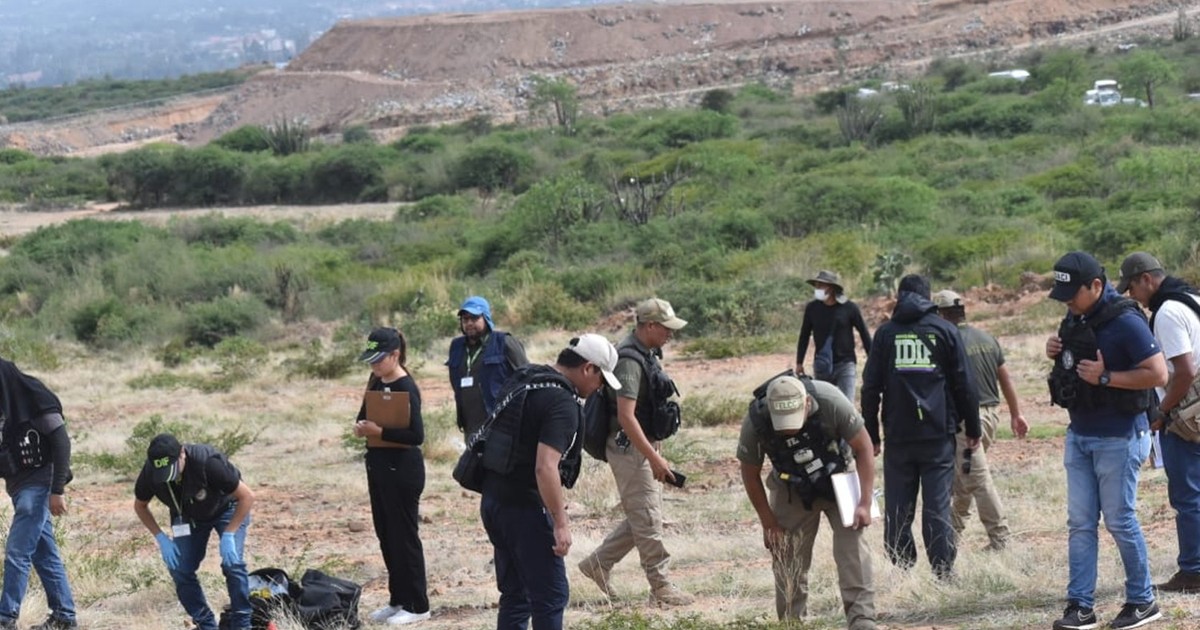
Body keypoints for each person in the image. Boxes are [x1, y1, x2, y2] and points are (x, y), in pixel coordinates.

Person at [1045, 251, 1167, 630]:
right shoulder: (1076, 317)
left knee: (1119, 520)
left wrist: (1105, 377)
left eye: (1071, 294)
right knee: (1080, 523)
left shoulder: (1125, 320)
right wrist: (1056, 350)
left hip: (1120, 436)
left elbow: (1158, 374)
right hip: (1080, 434)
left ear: (1096, 286)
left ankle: (1142, 601)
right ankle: (1080, 606)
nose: (1066, 302)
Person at [480, 334, 619, 630]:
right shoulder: (562, 402)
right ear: (588, 368)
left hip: (494, 500)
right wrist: (560, 523)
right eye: (601, 380)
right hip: (526, 509)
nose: (599, 389)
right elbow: (545, 467)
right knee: (551, 596)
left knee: (516, 596)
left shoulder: (526, 378)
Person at [861, 274, 980, 580]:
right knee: (937, 504)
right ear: (928, 298)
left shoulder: (886, 334)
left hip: (898, 434)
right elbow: (965, 384)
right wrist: (973, 427)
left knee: (898, 504)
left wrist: (872, 434)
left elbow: (870, 387)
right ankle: (943, 571)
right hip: (937, 434)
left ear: (899, 297)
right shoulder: (945, 330)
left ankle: (902, 568)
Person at [737, 374, 877, 629]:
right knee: (788, 555)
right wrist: (769, 523)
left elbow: (864, 447)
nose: (790, 428)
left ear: (808, 403)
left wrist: (864, 503)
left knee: (853, 550)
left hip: (839, 475)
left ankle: (862, 619)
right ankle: (792, 622)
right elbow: (749, 472)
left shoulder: (831, 400)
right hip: (791, 487)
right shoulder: (756, 420)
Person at [577, 298, 693, 606]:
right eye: (666, 328)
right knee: (648, 517)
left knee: (644, 514)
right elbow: (626, 417)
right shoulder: (629, 360)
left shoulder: (646, 353)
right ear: (650, 325)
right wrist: (654, 458)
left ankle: (598, 563)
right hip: (629, 448)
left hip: (641, 445)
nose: (670, 334)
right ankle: (661, 586)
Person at [1117, 252, 1200, 595]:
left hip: (1187, 413)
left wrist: (1162, 411)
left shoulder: (1166, 312)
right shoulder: (1191, 298)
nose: (1132, 295)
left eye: (1132, 287)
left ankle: (1194, 570)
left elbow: (1185, 371)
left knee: (1188, 494)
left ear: (1146, 279)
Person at [933, 289, 1029, 551]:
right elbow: (1005, 378)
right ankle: (949, 538)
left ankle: (1001, 539)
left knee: (976, 478)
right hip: (990, 417)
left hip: (967, 422)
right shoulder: (986, 338)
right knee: (964, 476)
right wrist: (1016, 413)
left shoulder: (948, 341)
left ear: (941, 314)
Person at [134, 433, 255, 630]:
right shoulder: (151, 473)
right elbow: (140, 506)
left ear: (182, 453)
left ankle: (242, 623)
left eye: (172, 469)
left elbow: (247, 496)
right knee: (179, 568)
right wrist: (160, 537)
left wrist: (229, 534)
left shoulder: (208, 463)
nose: (169, 476)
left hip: (227, 509)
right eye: (163, 472)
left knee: (233, 564)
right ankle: (206, 623)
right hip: (188, 518)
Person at [354, 327, 430, 625]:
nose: (373, 365)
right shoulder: (375, 381)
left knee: (404, 537)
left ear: (395, 355)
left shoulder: (406, 386)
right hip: (378, 467)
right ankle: (398, 599)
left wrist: (380, 431)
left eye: (378, 359)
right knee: (386, 535)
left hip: (403, 470)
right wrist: (361, 428)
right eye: (370, 360)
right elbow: (363, 415)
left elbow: (416, 435)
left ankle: (417, 604)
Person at [0, 358, 78, 630]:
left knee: (17, 552)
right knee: (44, 555)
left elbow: (61, 442)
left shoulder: (34, 398)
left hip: (40, 484)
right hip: (19, 487)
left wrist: (57, 490)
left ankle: (6, 618)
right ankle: (64, 617)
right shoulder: (5, 408)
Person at [447, 295, 529, 438]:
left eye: (474, 318)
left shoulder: (505, 342)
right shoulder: (456, 346)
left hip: (501, 423)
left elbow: (527, 378)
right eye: (465, 319)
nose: (469, 323)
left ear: (486, 318)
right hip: (470, 424)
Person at [796, 270, 872, 403]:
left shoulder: (849, 308)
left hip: (845, 364)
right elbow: (804, 335)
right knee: (823, 406)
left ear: (831, 288)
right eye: (816, 286)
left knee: (847, 406)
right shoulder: (812, 308)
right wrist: (799, 362)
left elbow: (864, 334)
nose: (817, 289)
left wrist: (872, 360)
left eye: (821, 286)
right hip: (822, 365)